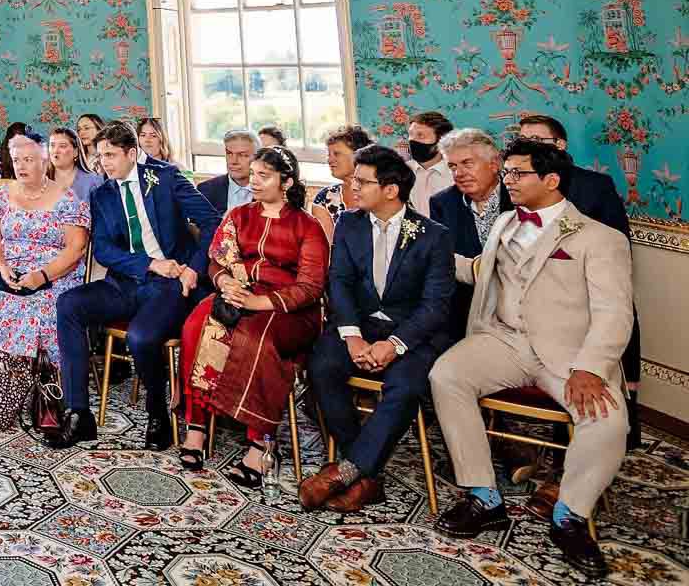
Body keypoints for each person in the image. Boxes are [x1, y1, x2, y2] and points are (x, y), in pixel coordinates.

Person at [429, 139, 633, 578]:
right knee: (446, 375)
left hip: (569, 353)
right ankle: (483, 495)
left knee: (610, 420)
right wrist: (429, 253)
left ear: (551, 180)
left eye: (519, 173)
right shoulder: (504, 221)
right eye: (508, 172)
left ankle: (571, 516)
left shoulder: (600, 239)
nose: (509, 180)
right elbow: (480, 271)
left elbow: (615, 312)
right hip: (505, 340)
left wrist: (591, 369)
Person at [50, 121, 220, 450]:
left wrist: (193, 271)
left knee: (141, 337)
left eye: (111, 155)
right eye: (99, 156)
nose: (104, 163)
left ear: (132, 153)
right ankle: (78, 414)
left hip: (170, 286)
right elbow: (103, 249)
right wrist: (149, 264)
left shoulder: (166, 177)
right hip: (125, 283)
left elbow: (212, 222)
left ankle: (158, 412)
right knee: (69, 304)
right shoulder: (102, 193)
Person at [303, 146, 455, 512]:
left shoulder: (433, 235)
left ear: (391, 190)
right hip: (360, 326)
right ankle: (367, 476)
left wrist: (395, 344)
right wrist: (352, 335)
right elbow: (337, 282)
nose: (353, 187)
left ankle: (348, 470)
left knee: (405, 387)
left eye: (363, 181)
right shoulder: (349, 224)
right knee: (322, 367)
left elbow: (436, 305)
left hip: (412, 333)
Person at [176, 146, 329, 485]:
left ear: (285, 182)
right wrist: (225, 281)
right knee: (196, 326)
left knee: (254, 339)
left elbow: (311, 286)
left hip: (288, 308)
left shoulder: (307, 226)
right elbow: (216, 260)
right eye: (254, 174)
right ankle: (196, 424)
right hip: (237, 294)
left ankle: (260, 442)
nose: (254, 181)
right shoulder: (238, 215)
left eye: (264, 176)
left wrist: (261, 303)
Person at [514, 113, 641, 449]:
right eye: (523, 138)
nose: (528, 145)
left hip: (588, 295)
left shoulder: (595, 184)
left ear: (560, 145)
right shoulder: (517, 185)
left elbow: (617, 242)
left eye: (537, 140)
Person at [0, 130, 90, 369]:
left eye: (28, 160)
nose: (21, 166)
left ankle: (40, 388)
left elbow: (77, 248)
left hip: (53, 275)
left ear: (44, 161)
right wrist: (2, 267)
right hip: (8, 271)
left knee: (41, 307)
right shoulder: (0, 196)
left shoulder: (67, 199)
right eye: (16, 160)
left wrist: (41, 276)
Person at [429, 129, 507, 341]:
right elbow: (441, 260)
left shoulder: (519, 196)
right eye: (452, 166)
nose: (458, 173)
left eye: (467, 163)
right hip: (464, 309)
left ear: (494, 164)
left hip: (516, 308)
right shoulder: (442, 203)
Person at [311, 125, 371, 226]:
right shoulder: (324, 198)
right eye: (328, 155)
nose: (330, 160)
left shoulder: (380, 192)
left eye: (336, 154)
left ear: (358, 154)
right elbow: (328, 241)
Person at [404, 109, 454, 217]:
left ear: (441, 140)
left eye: (420, 135)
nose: (412, 140)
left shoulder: (456, 173)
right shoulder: (400, 171)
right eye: (410, 134)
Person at [197, 129, 257, 214]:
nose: (233, 161)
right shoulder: (206, 190)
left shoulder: (269, 192)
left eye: (242, 155)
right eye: (229, 154)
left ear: (257, 158)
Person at [48, 128, 102, 204]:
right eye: (52, 145)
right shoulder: (40, 180)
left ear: (76, 152)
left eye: (62, 146)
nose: (55, 151)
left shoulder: (93, 181)